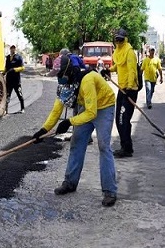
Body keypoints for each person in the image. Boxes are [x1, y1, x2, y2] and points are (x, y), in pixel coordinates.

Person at [32, 55, 117, 207]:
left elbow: (92, 113)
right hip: (88, 107)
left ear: (68, 71)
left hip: (104, 106)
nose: (58, 78)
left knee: (104, 146)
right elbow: (56, 111)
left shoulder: (87, 80)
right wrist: (43, 130)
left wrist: (69, 122)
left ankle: (110, 191)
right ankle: (70, 182)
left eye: (59, 75)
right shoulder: (66, 86)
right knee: (76, 142)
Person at [109, 28, 139, 158]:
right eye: (117, 39)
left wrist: (129, 88)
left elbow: (132, 71)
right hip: (122, 89)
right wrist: (108, 70)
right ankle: (124, 146)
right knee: (119, 119)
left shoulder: (129, 51)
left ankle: (127, 149)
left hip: (129, 91)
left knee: (124, 119)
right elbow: (118, 66)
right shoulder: (118, 51)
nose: (118, 41)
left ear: (125, 38)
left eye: (121, 39)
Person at [5, 45, 25, 114]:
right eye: (11, 48)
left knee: (19, 94)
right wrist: (3, 72)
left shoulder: (18, 57)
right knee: (7, 95)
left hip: (16, 80)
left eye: (13, 48)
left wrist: (15, 69)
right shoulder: (8, 57)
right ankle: (5, 110)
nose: (12, 50)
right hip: (9, 80)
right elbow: (6, 67)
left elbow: (22, 68)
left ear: (15, 49)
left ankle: (22, 108)